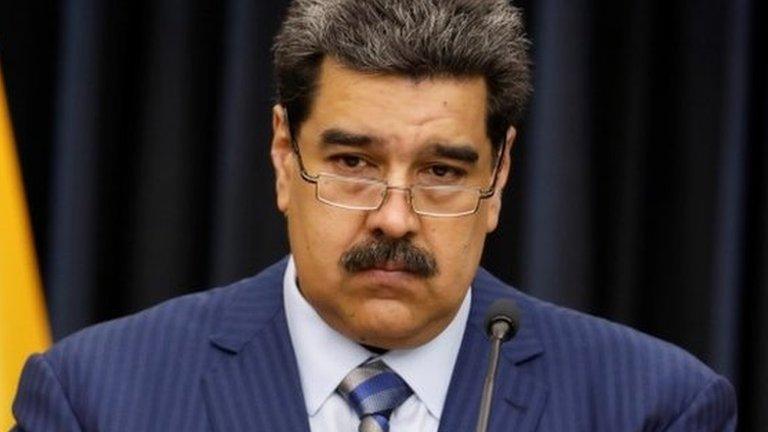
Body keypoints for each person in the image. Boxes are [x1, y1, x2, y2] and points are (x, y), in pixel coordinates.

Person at [12, 0, 736, 431]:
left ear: (501, 174)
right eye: (354, 163)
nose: (394, 218)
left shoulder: (652, 408)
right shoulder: (98, 398)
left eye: (442, 172)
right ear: (282, 154)